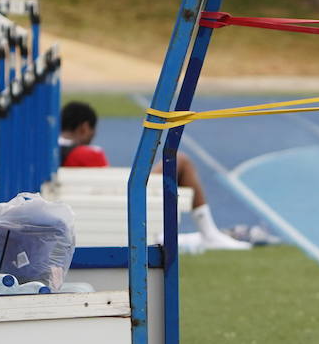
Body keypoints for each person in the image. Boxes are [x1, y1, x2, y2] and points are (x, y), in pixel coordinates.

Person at [59, 100, 269, 250]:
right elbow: (106, 190)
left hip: (86, 211)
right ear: (85, 128)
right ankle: (210, 233)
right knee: (181, 162)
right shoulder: (88, 154)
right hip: (113, 211)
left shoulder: (48, 150)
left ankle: (207, 235)